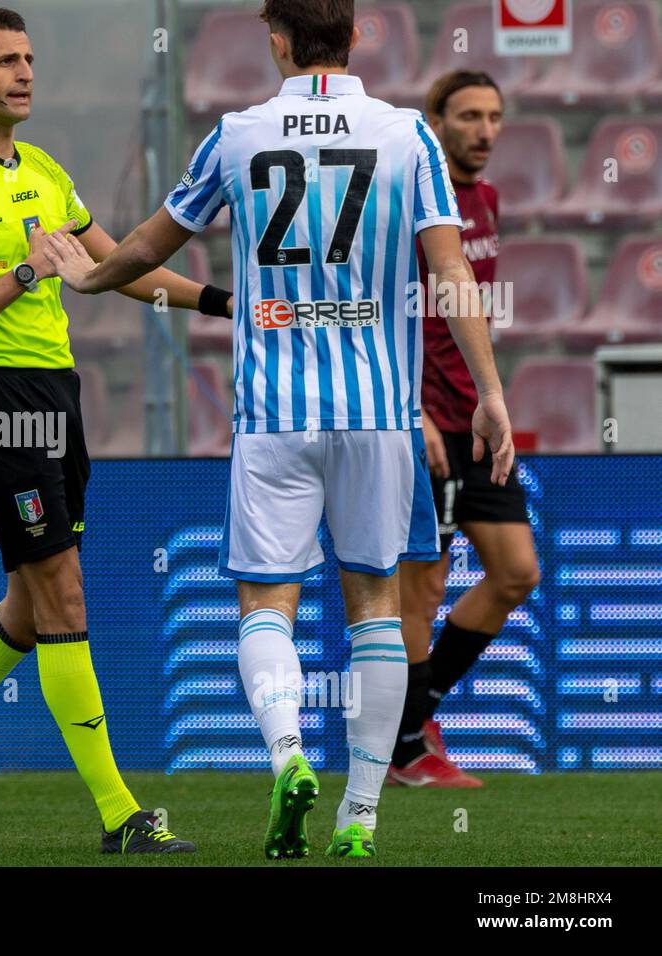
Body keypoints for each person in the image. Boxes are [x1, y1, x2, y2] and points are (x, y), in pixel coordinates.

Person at [41, 0, 514, 860]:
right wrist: (490, 389)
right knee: (375, 606)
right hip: (380, 418)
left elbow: (151, 245)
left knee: (266, 604)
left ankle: (289, 757)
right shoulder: (408, 134)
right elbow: (448, 267)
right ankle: (361, 816)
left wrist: (90, 275)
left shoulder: (237, 135)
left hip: (275, 415)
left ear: (277, 40)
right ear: (357, 36)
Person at [0, 6, 234, 854]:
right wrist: (27, 270)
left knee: (29, 610)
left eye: (30, 59)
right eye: (4, 61)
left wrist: (219, 302)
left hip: (56, 396)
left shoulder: (47, 172)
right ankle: (119, 814)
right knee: (63, 590)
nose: (25, 73)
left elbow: (112, 268)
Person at [389, 71, 541, 788]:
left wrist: (488, 396)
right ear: (435, 121)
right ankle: (408, 752)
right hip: (419, 424)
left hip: (474, 419)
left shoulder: (487, 200)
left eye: (495, 116)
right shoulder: (410, 206)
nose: (485, 130)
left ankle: (414, 719)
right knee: (421, 590)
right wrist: (407, 409)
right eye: (470, 115)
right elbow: (383, 310)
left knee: (515, 571)